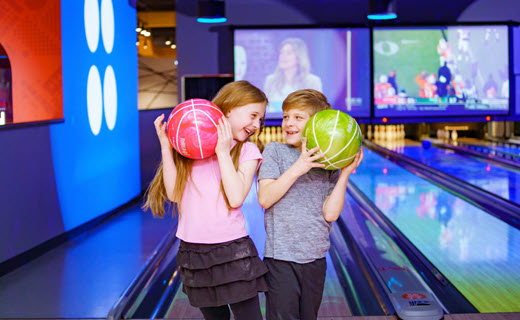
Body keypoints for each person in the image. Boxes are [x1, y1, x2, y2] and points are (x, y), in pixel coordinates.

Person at [143, 81, 269, 320]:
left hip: (232, 249)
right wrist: (166, 147)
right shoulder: (192, 150)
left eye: (260, 120)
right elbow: (173, 194)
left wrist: (222, 151)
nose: (256, 125)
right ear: (229, 108)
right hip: (193, 252)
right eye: (253, 115)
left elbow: (235, 198)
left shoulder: (246, 152)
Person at [257, 89, 363, 320]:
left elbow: (331, 214)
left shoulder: (329, 164)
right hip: (281, 259)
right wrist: (300, 167)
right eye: (286, 116)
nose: (289, 123)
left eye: (298, 117)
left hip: (315, 259)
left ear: (318, 124)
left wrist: (344, 174)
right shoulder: (275, 151)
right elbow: (265, 198)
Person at [263, 38, 322, 113]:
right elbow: (266, 109)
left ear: (299, 57)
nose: (283, 57)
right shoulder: (270, 80)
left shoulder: (313, 81)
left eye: (288, 53)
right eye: (281, 53)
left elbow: (317, 110)